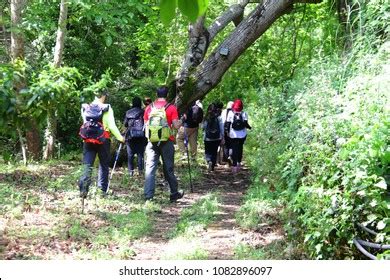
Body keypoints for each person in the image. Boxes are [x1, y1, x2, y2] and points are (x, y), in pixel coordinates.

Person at [78, 90, 125, 198]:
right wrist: (120, 138)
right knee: (103, 165)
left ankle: (83, 189)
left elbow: (85, 123)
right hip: (104, 139)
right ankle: (102, 191)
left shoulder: (86, 107)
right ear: (103, 95)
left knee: (87, 164)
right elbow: (112, 126)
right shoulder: (106, 108)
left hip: (88, 139)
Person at [143, 86, 184, 202]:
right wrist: (182, 120)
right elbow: (176, 125)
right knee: (168, 168)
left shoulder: (149, 108)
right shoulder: (171, 108)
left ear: (156, 95)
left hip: (152, 142)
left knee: (150, 168)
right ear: (167, 95)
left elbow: (146, 124)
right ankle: (174, 193)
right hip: (167, 141)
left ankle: (148, 196)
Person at [225, 99, 251, 173]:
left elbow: (227, 124)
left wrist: (227, 132)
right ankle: (239, 163)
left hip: (233, 135)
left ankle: (234, 165)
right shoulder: (244, 113)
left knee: (234, 149)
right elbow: (246, 124)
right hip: (242, 134)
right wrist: (250, 127)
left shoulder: (230, 113)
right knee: (240, 148)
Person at [123, 96, 147, 176]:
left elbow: (125, 124)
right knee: (140, 154)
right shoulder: (143, 112)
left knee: (130, 155)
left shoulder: (128, 112)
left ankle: (131, 173)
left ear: (133, 103)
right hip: (141, 136)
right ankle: (141, 172)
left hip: (131, 137)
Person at [202, 103, 224, 171]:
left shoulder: (206, 117)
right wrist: (222, 136)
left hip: (207, 138)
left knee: (208, 151)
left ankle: (209, 161)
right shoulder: (219, 117)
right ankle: (213, 165)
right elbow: (221, 128)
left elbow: (203, 127)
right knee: (214, 151)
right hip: (217, 138)